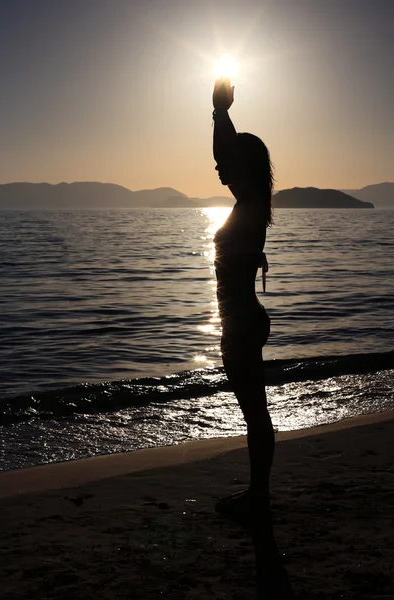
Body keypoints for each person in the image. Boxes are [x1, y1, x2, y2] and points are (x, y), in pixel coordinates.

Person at [212, 78, 298, 598]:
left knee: (254, 412)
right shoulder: (251, 207)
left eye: (227, 165)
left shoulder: (246, 203)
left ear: (242, 168)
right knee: (254, 411)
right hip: (244, 318)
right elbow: (228, 158)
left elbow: (227, 152)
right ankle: (257, 495)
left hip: (242, 321)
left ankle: (258, 498)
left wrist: (220, 112)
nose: (218, 169)